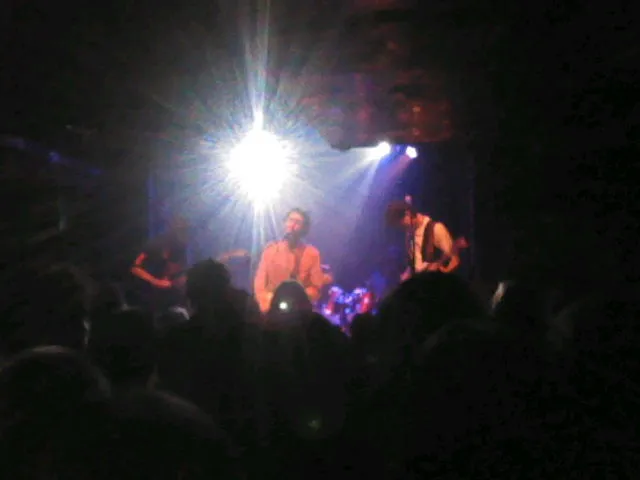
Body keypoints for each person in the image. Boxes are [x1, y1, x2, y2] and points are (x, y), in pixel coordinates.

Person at [254, 208, 325, 313]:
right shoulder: (271, 250)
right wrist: (266, 301)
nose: (292, 225)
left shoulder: (312, 254)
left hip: (296, 312)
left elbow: (316, 288)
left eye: (298, 222)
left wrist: (299, 297)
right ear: (285, 223)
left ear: (304, 228)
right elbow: (259, 282)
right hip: (269, 309)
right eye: (290, 220)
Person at [385, 200, 461, 281]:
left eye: (403, 225)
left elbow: (454, 260)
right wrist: (406, 275)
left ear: (407, 214)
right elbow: (415, 264)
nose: (404, 229)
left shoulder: (436, 229)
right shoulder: (409, 235)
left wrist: (440, 269)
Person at [130, 216, 189, 314]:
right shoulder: (155, 244)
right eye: (180, 230)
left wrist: (180, 280)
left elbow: (178, 271)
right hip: (148, 296)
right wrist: (155, 281)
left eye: (184, 230)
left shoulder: (180, 248)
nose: (183, 233)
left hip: (169, 298)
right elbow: (135, 268)